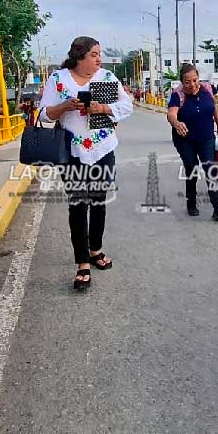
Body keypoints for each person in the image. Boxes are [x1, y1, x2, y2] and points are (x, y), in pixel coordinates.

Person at [39, 36, 134, 291]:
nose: (98, 59)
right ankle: (82, 263)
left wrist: (102, 108)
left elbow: (127, 106)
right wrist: (65, 106)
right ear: (79, 56)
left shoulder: (107, 78)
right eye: (94, 54)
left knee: (99, 201)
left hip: (103, 148)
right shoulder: (58, 79)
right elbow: (43, 113)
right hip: (71, 151)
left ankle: (96, 250)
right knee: (78, 205)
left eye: (99, 54)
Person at [168, 64, 218, 221]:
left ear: (198, 77)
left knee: (211, 168)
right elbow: (171, 113)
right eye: (187, 82)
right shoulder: (178, 94)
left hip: (206, 138)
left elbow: (214, 107)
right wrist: (177, 124)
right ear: (182, 81)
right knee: (192, 169)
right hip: (185, 140)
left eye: (195, 80)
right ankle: (191, 202)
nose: (192, 85)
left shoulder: (207, 89)